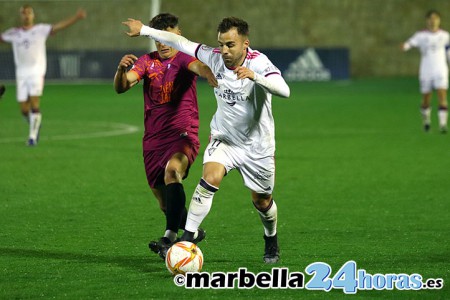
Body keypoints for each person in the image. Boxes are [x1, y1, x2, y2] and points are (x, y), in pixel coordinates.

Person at [122, 16, 290, 263]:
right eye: (221, 44)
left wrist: (255, 77)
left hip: (257, 147)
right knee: (209, 178)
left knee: (262, 200)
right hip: (225, 139)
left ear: (245, 44)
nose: (224, 50)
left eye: (230, 45)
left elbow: (284, 90)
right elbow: (180, 41)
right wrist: (146, 31)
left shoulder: (260, 63)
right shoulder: (213, 56)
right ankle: (186, 242)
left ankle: (270, 237)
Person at [114, 13, 217, 259]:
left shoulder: (184, 59)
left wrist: (208, 72)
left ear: (177, 36)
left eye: (167, 37)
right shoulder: (146, 62)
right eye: (159, 39)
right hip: (153, 141)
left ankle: (170, 238)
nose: (163, 44)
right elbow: (122, 86)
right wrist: (120, 70)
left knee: (173, 172)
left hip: (183, 134)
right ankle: (191, 230)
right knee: (165, 204)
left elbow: (198, 66)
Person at [0, 5, 87, 146]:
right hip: (21, 73)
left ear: (33, 15)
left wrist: (76, 18)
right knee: (23, 110)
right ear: (20, 16)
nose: (26, 15)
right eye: (24, 13)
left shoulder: (40, 30)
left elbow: (59, 26)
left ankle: (32, 137)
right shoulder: (14, 33)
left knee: (34, 103)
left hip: (36, 71)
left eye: (29, 12)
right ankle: (35, 123)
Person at [402, 9, 449, 133]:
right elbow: (410, 43)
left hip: (441, 70)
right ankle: (426, 121)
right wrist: (405, 46)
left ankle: (443, 125)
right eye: (430, 19)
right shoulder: (421, 35)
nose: (433, 21)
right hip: (426, 70)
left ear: (439, 20)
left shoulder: (445, 36)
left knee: (442, 95)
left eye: (435, 19)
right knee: (426, 98)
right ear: (427, 21)